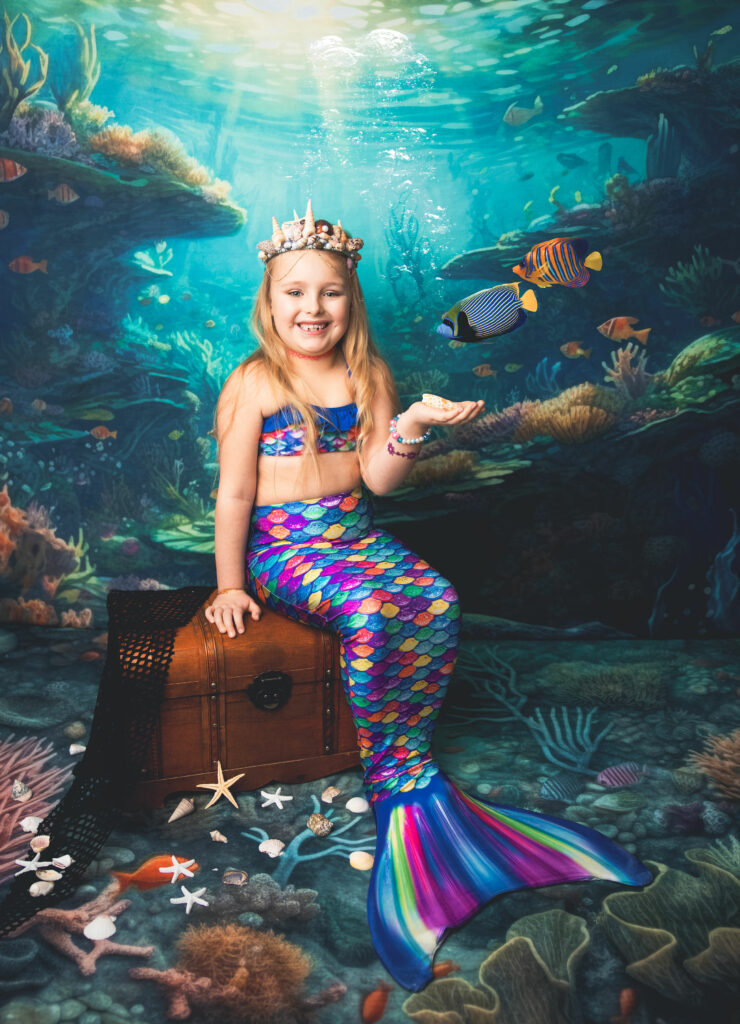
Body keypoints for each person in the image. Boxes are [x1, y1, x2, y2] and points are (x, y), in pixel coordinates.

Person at [204, 200, 652, 991]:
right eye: (295, 294)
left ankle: (418, 769)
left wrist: (411, 424)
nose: (313, 309)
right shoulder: (256, 381)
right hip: (284, 546)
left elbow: (379, 479)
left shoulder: (368, 374)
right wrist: (230, 585)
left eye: (331, 293)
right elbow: (235, 493)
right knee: (374, 610)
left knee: (436, 598)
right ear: (269, 304)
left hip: (353, 535)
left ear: (353, 301)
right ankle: (396, 782)